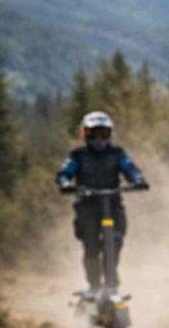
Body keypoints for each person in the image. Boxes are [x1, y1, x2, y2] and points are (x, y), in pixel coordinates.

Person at [56, 111, 148, 296]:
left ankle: (111, 283)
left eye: (103, 134)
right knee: (91, 246)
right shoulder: (78, 155)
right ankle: (94, 285)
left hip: (112, 204)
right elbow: (65, 172)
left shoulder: (117, 153)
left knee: (115, 240)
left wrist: (138, 180)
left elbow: (129, 168)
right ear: (85, 134)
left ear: (110, 134)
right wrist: (65, 184)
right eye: (94, 134)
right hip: (87, 206)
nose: (99, 139)